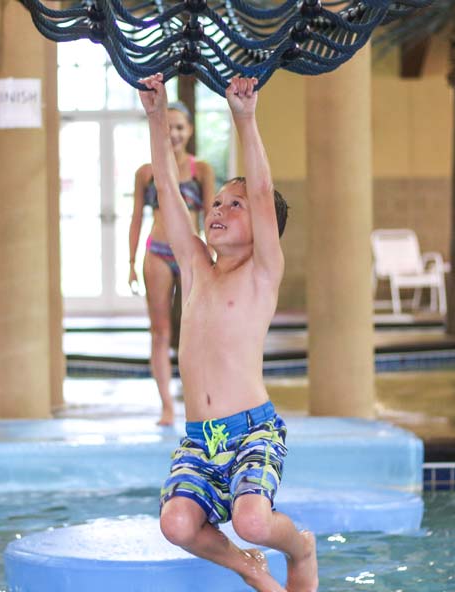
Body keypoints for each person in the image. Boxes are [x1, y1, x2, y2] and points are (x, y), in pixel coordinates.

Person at [138, 73, 316, 592]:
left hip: (251, 430)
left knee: (254, 521)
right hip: (200, 437)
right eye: (216, 203)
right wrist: (155, 115)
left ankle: (299, 546)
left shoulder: (262, 273)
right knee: (176, 524)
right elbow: (167, 191)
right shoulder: (195, 268)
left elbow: (261, 191)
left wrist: (245, 117)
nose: (219, 209)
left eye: (233, 206)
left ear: (261, 228)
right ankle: (247, 565)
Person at [129, 101, 215, 426]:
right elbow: (136, 218)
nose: (175, 133)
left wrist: (217, 258)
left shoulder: (201, 170)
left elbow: (212, 216)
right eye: (169, 126)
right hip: (158, 253)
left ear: (190, 130)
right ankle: (166, 405)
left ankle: (198, 401)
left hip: (191, 253)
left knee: (196, 331)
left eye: (180, 127)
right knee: (160, 332)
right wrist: (131, 261)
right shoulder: (146, 173)